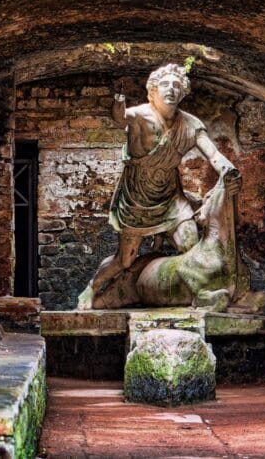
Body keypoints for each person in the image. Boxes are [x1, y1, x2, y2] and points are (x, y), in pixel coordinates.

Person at [77, 63, 241, 309]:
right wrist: (119, 97)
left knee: (191, 244)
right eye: (165, 85)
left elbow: (214, 155)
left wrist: (229, 172)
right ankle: (92, 288)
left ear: (183, 92)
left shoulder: (190, 124)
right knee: (124, 260)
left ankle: (188, 294)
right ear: (152, 91)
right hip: (137, 199)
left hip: (171, 199)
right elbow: (119, 117)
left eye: (177, 86)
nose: (171, 89)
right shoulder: (140, 115)